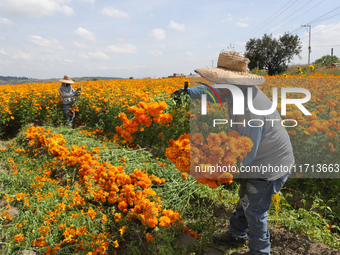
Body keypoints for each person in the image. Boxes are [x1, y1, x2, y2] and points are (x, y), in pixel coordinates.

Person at [174, 51, 294, 255]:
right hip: (261, 157)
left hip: (269, 164)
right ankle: (236, 234)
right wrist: (188, 93)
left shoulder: (251, 110)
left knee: (254, 209)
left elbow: (246, 154)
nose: (217, 84)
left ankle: (260, 251)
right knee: (246, 198)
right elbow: (212, 92)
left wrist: (220, 172)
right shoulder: (235, 90)